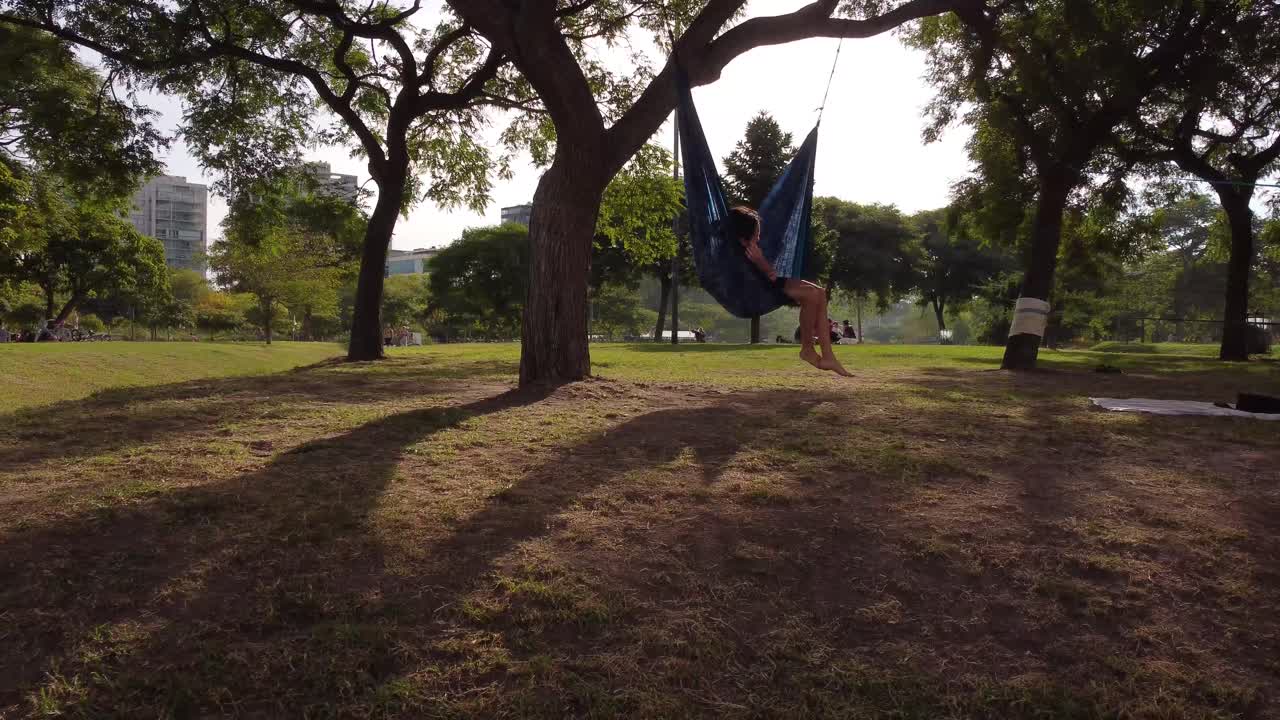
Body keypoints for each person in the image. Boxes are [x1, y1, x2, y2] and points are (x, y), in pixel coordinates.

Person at [730, 206, 851, 376]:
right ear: (744, 236)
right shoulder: (749, 250)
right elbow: (770, 275)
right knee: (811, 295)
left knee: (820, 293)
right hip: (762, 288)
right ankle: (807, 349)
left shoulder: (745, 245)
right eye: (756, 232)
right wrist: (760, 259)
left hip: (773, 281)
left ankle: (828, 355)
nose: (759, 235)